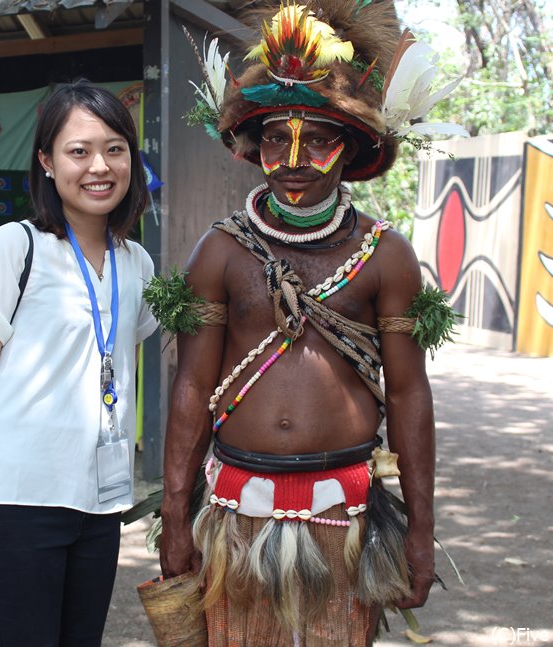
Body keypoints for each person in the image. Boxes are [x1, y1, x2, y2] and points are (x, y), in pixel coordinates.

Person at [158, 2, 460, 644]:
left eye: (318, 138)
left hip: (345, 515)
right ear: (253, 144)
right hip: (237, 510)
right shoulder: (220, 251)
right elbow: (190, 387)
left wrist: (421, 530)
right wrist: (176, 515)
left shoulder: (384, 255)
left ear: (350, 149)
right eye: (275, 136)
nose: (293, 156)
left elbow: (409, 393)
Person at [0, 80, 158, 646]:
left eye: (116, 148)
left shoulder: (137, 262)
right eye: (79, 151)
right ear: (47, 162)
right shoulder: (13, 247)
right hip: (14, 499)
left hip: (99, 501)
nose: (100, 165)